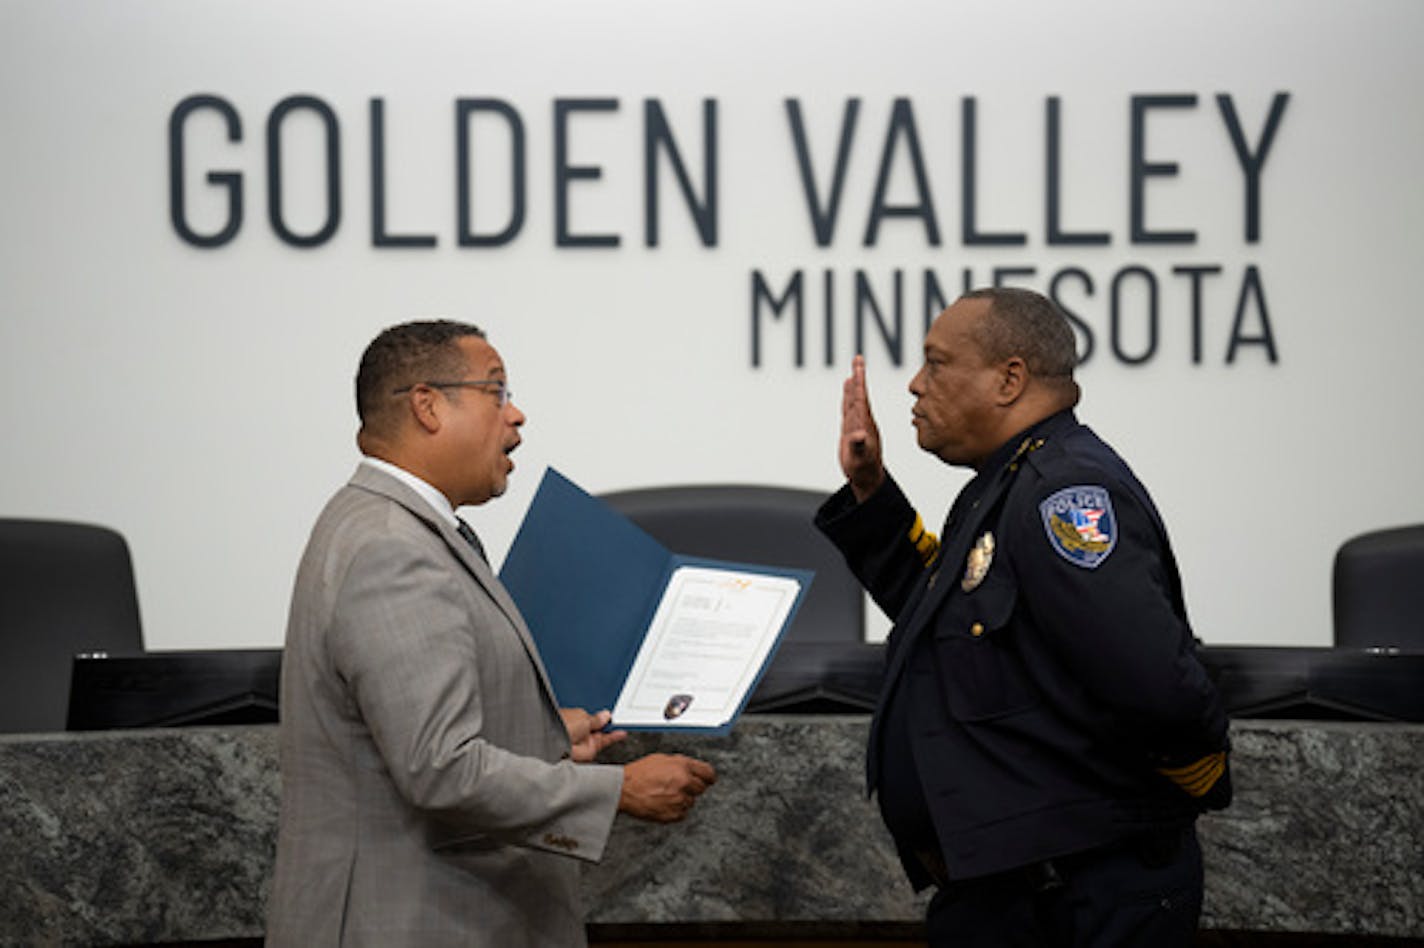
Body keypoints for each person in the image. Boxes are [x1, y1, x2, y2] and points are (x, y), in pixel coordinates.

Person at [266, 319, 716, 948]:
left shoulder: (391, 525)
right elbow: (439, 767)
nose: (518, 416)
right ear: (427, 405)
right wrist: (618, 790)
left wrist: (550, 738)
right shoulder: (394, 550)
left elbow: (414, 734)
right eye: (497, 392)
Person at [815, 287, 1231, 947]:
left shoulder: (1061, 496)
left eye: (937, 363)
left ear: (1010, 378)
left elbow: (1153, 680)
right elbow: (951, 630)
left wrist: (1192, 778)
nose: (916, 386)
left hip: (1079, 900)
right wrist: (871, 491)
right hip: (1016, 896)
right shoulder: (1004, 487)